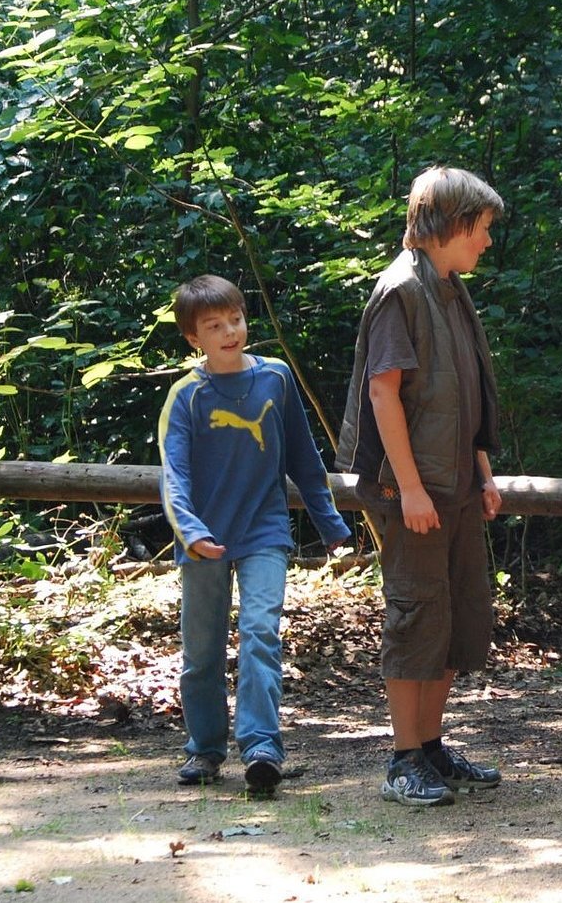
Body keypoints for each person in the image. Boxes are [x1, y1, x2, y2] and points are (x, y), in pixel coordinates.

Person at [338, 166, 507, 807]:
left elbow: (462, 396)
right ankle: (403, 758)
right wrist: (408, 489)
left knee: (453, 619)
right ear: (452, 224)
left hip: (455, 486)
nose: (486, 242)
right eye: (482, 229)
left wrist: (484, 476)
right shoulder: (398, 290)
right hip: (408, 489)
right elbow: (384, 393)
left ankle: (432, 747)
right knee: (415, 616)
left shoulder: (450, 287)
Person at [159, 275, 352, 796]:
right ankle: (204, 747)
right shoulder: (186, 397)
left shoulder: (276, 378)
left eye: (236, 320)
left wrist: (330, 523)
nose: (229, 332)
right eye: (214, 326)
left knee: (261, 632)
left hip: (265, 530)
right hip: (202, 538)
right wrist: (193, 533)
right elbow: (173, 477)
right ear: (193, 337)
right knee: (201, 651)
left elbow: (304, 457)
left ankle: (262, 743)